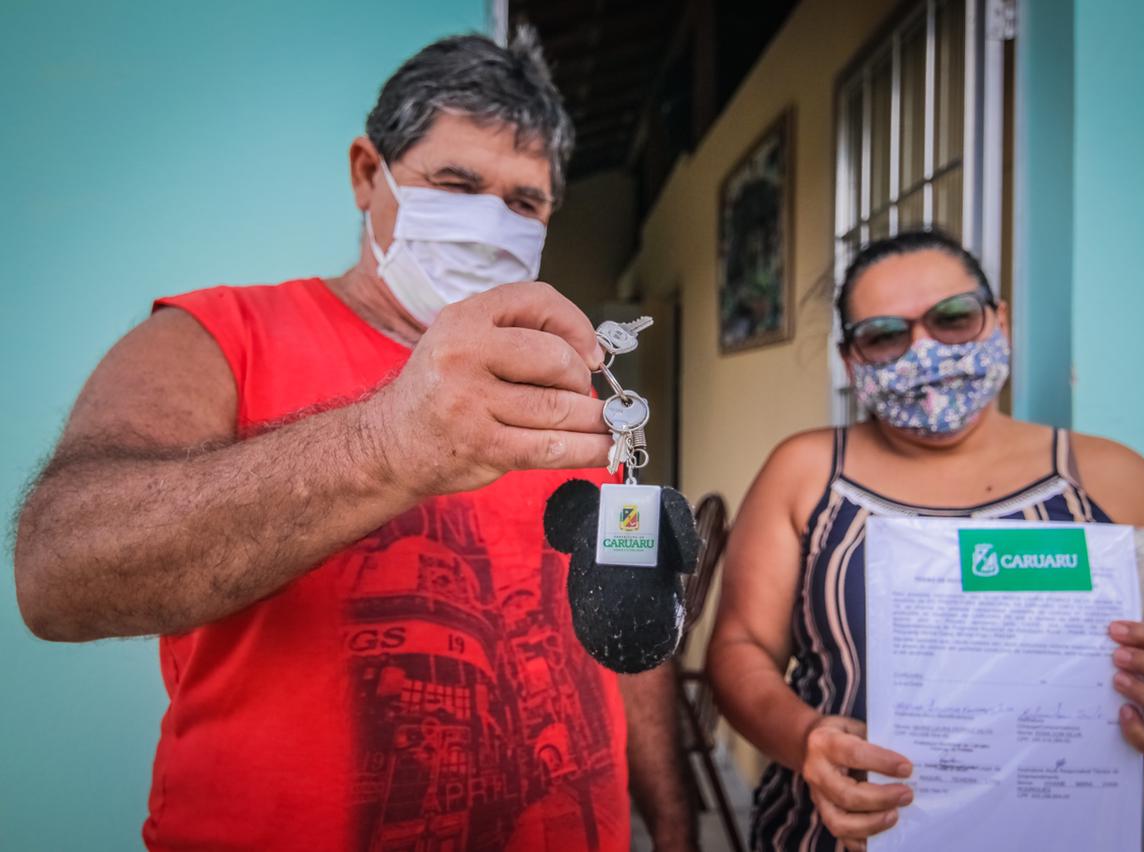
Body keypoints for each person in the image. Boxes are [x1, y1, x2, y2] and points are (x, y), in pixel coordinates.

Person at [13, 29, 695, 852]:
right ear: (369, 174)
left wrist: (674, 823)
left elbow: (626, 595)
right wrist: (384, 444)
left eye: (524, 202)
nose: (491, 222)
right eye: (456, 183)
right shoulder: (215, 338)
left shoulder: (562, 382)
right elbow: (57, 573)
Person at [706, 230, 1144, 851]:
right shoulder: (806, 473)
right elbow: (738, 649)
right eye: (885, 335)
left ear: (1000, 321)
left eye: (952, 318)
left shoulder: (1111, 480)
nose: (925, 350)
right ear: (850, 358)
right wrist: (805, 738)